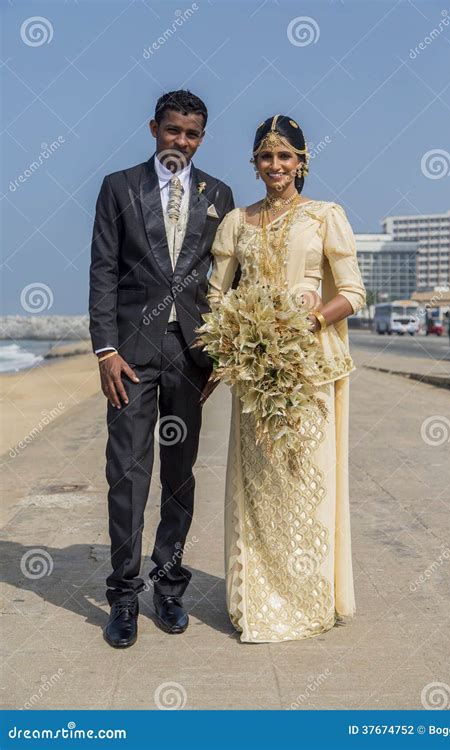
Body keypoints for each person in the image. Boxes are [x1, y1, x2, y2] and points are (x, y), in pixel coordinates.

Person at [202, 114, 366, 643]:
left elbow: (354, 292)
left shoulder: (324, 216)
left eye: (285, 157)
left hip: (309, 367)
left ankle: (308, 596)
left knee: (305, 478)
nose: (276, 166)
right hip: (253, 367)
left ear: (302, 162)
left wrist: (310, 320)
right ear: (255, 164)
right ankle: (259, 600)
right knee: (259, 482)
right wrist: (229, 336)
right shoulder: (236, 222)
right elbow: (215, 294)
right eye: (266, 157)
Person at [88, 90, 235, 648]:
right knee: (126, 475)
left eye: (192, 134)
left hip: (191, 359)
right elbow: (103, 270)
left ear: (202, 137)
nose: (181, 141)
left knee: (178, 478)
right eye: (173, 131)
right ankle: (123, 597)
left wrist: (223, 351)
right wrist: (106, 350)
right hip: (129, 358)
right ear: (154, 128)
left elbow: (229, 276)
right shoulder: (119, 188)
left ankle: (168, 589)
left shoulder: (218, 194)